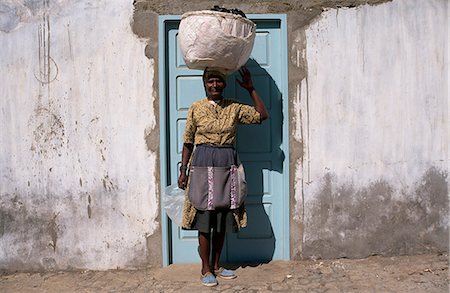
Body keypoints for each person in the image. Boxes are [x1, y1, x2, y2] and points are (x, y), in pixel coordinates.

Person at [177, 66, 269, 287]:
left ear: (224, 84)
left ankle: (217, 265)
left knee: (220, 219)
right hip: (202, 163)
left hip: (227, 165)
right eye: (210, 81)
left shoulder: (234, 108)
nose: (215, 85)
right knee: (204, 218)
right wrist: (183, 170)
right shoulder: (196, 108)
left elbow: (262, 115)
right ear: (205, 84)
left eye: (218, 81)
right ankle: (205, 268)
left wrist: (251, 88)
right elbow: (188, 141)